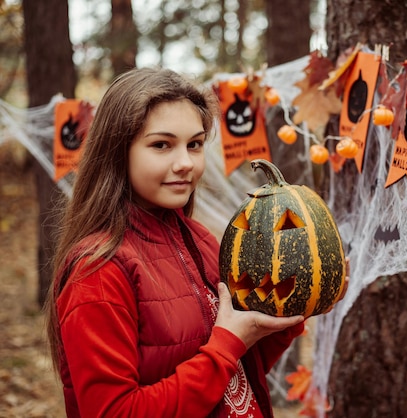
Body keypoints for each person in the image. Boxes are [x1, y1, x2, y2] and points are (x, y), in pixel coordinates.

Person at [45, 67, 311, 417]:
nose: (185, 163)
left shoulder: (201, 241)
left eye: (195, 144)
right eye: (161, 145)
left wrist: (288, 314)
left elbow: (235, 377)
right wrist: (227, 345)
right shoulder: (98, 271)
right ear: (116, 151)